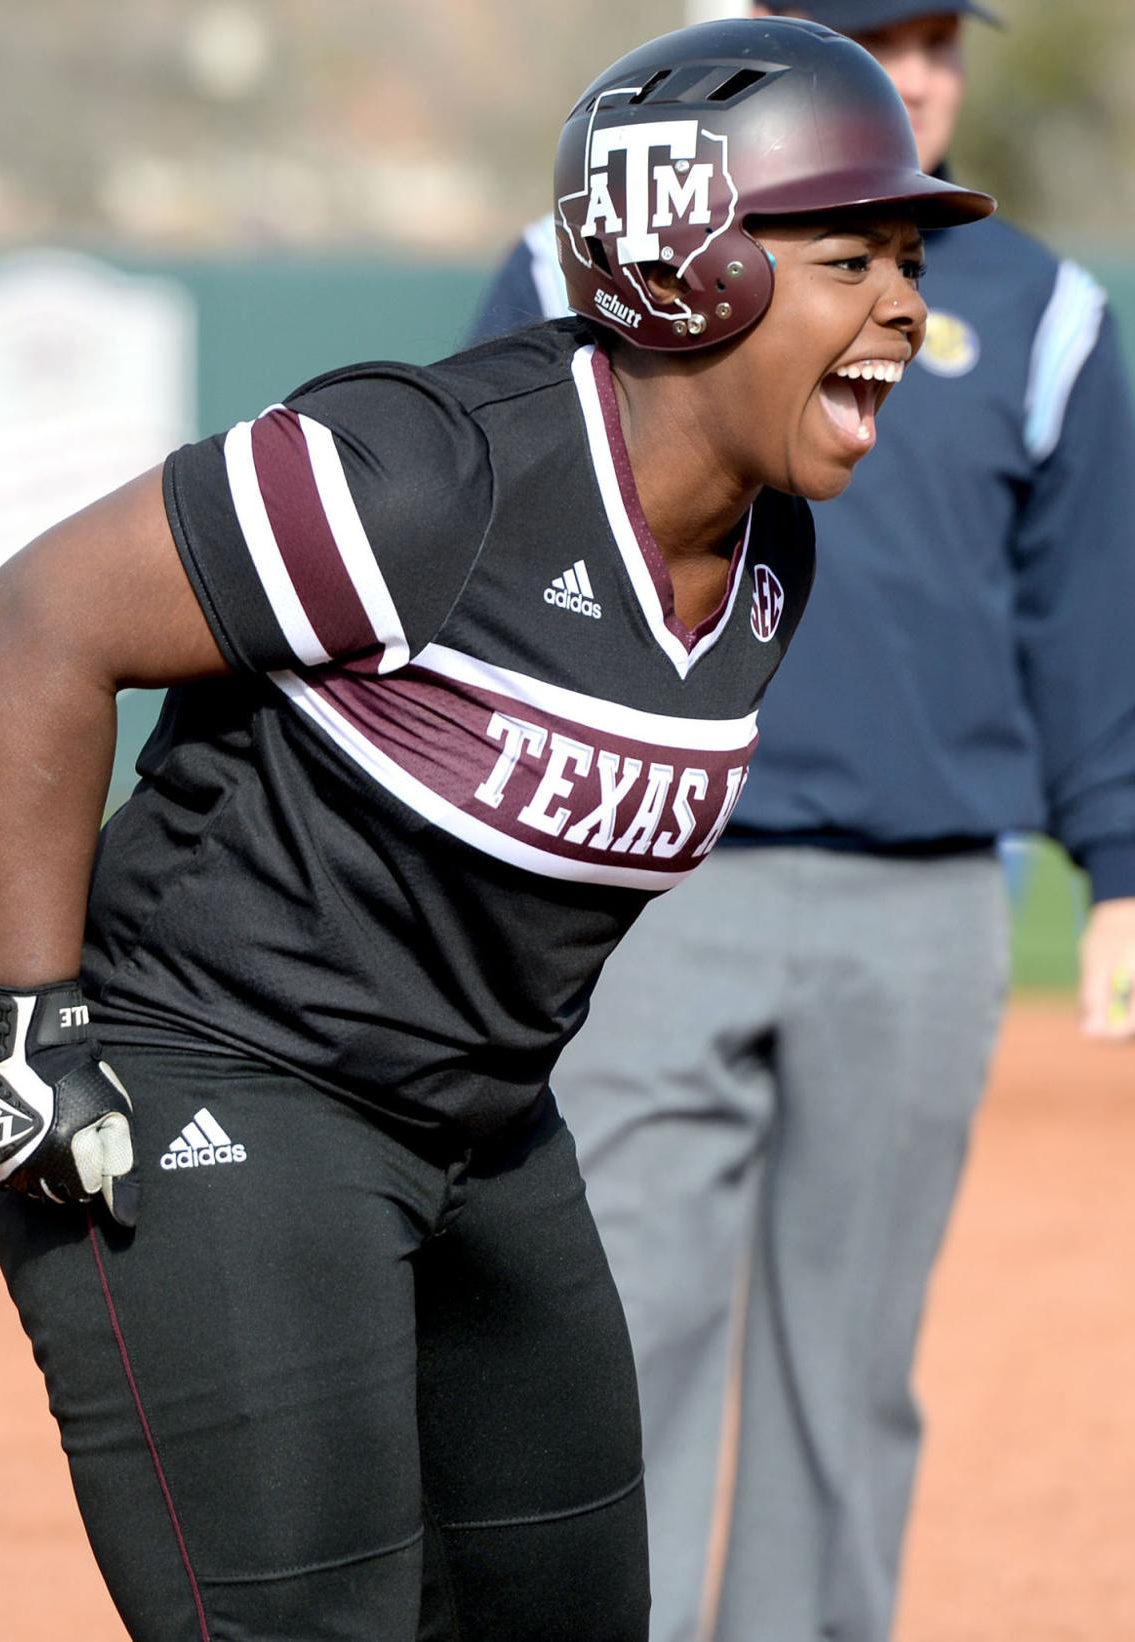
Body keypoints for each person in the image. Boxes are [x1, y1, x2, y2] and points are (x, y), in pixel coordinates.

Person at [0, 18, 993, 1642]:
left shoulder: (773, 545)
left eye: (909, 259)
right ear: (686, 260)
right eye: (854, 254)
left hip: (482, 1125)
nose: (907, 308)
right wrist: (26, 1024)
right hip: (223, 1074)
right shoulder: (433, 473)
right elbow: (42, 618)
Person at [469, 4, 1135, 1641]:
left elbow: (1089, 613)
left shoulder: (1045, 314)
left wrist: (1121, 863)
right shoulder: (603, 261)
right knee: (621, 1335)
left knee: (849, 1364)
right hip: (647, 884)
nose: (916, 73)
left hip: (921, 908)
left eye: (940, 41)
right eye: (874, 35)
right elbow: (483, 524)